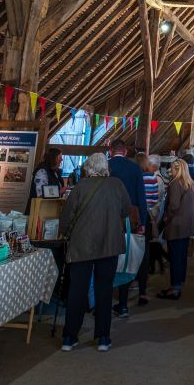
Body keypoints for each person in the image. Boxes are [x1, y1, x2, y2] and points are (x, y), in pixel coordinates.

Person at [52, 152, 133, 353]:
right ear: (105, 168)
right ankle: (103, 338)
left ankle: (69, 338)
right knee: (104, 290)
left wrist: (65, 233)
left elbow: (67, 216)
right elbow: (126, 211)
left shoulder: (80, 187)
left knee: (77, 290)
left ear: (88, 169)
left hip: (82, 245)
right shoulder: (117, 185)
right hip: (109, 244)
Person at [107, 142, 145, 318]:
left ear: (111, 151)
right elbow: (141, 196)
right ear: (127, 151)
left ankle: (103, 303)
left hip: (107, 219)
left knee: (106, 259)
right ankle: (123, 305)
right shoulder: (135, 168)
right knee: (125, 259)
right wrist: (142, 221)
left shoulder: (106, 165)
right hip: (129, 220)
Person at [158, 159, 194, 300]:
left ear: (177, 169)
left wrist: (166, 218)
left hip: (176, 226)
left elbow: (173, 205)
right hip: (187, 226)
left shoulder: (175, 184)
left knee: (175, 258)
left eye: (171, 170)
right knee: (181, 258)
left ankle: (174, 288)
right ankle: (179, 284)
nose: (170, 172)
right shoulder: (190, 184)